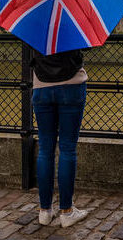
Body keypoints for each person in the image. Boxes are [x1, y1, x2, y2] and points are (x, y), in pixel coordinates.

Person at [31, 47, 89, 228]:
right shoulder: (73, 21)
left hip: (42, 86)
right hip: (72, 84)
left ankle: (45, 211)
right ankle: (67, 211)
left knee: (45, 149)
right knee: (67, 148)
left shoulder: (34, 22)